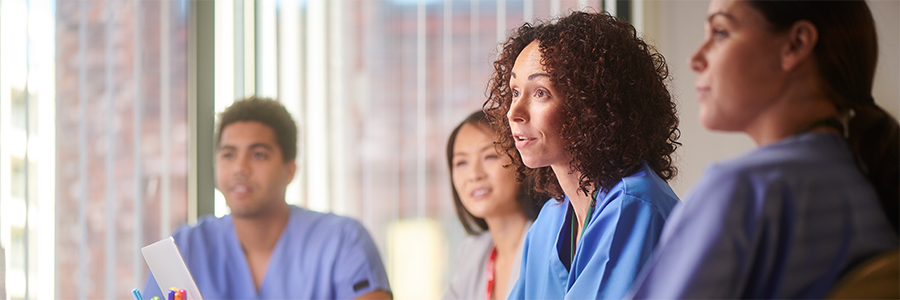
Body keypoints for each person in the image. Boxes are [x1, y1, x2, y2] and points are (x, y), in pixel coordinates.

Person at [625, 0, 900, 299]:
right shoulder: (868, 181)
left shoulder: (744, 191)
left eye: (720, 32)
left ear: (795, 45)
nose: (695, 58)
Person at [483, 11, 682, 300]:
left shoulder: (634, 205)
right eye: (515, 92)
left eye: (540, 93)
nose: (514, 112)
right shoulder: (548, 222)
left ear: (590, 105)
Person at [142, 97, 392, 300]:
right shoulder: (185, 248)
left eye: (258, 155)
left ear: (290, 169)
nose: (240, 168)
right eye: (228, 155)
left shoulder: (343, 241)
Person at [442, 111, 548, 300]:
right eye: (461, 162)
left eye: (489, 157)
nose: (474, 175)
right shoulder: (471, 253)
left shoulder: (551, 244)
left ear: (522, 162)